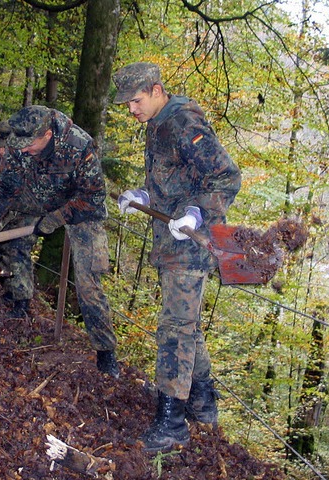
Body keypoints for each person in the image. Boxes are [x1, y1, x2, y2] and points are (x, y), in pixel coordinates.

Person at [113, 62, 242, 452]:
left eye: (135, 101)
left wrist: (197, 213)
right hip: (171, 242)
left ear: (156, 90)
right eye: (127, 104)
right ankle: (202, 407)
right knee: (187, 326)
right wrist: (147, 196)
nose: (131, 109)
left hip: (191, 242)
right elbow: (176, 179)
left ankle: (171, 423)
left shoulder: (183, 121)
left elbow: (226, 177)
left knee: (175, 330)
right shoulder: (157, 123)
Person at [0, 105, 119, 378]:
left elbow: (93, 198)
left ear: (48, 134)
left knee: (88, 284)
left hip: (77, 209)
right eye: (20, 145)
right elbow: (5, 187)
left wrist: (56, 218)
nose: (23, 150)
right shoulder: (18, 143)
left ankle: (106, 354)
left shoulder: (79, 145)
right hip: (35, 196)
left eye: (30, 145)